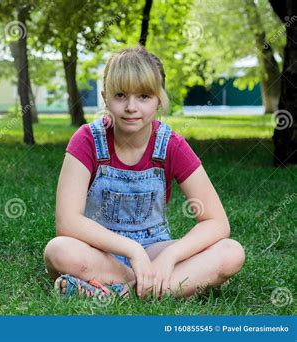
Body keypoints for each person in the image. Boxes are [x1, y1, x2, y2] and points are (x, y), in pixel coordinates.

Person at [43, 46, 245, 301]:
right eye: (120, 95)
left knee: (230, 252)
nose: (131, 107)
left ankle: (119, 292)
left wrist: (170, 257)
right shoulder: (87, 140)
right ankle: (154, 289)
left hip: (155, 250)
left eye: (144, 97)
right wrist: (132, 251)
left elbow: (217, 222)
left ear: (159, 99)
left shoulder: (171, 144)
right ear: (105, 97)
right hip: (99, 250)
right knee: (59, 250)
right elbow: (67, 222)